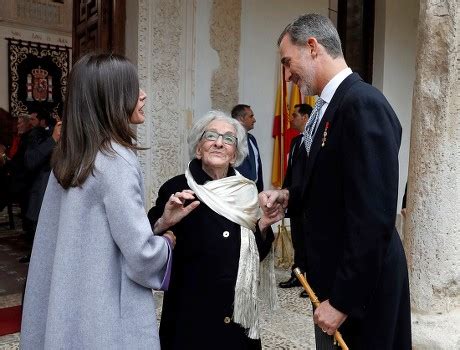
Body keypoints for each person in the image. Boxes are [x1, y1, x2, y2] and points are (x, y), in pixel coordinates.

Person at [260, 13, 411, 349]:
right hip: (335, 284)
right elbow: (332, 187)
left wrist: (342, 300)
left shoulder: (362, 104)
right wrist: (290, 197)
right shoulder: (330, 107)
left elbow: (373, 216)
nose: (286, 76)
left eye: (288, 62)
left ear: (312, 47)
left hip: (361, 294)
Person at [20, 53, 174, 349]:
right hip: (104, 316)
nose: (143, 95)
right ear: (111, 98)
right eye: (134, 87)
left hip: (66, 307)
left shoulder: (69, 156)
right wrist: (166, 242)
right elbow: (140, 254)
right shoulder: (116, 160)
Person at [148, 111, 282, 350]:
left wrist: (262, 225)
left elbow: (254, 254)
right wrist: (164, 222)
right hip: (191, 319)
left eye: (228, 139)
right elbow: (148, 242)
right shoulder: (177, 188)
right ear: (199, 148)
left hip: (237, 320)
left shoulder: (248, 192)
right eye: (211, 136)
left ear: (235, 154)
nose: (219, 143)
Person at [278, 103, 312, 298]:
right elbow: (291, 172)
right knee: (298, 240)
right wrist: (285, 192)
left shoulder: (313, 141)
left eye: (295, 115)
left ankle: (312, 282)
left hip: (308, 200)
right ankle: (297, 275)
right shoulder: (295, 141)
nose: (291, 118)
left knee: (310, 241)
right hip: (295, 200)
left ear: (306, 117)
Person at [231, 104, 264, 192]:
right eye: (251, 116)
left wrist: (260, 191)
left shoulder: (252, 139)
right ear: (241, 118)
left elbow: (257, 166)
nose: (254, 120)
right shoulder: (229, 139)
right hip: (235, 192)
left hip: (253, 192)